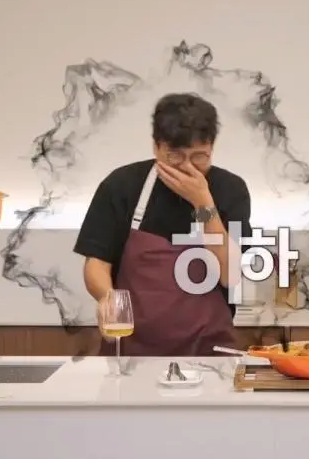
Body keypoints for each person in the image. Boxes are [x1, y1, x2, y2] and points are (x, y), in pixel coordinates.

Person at [73, 93, 252, 356]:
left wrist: (203, 203)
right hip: (132, 349)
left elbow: (230, 275)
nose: (188, 168)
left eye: (199, 157)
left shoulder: (230, 190)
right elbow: (97, 263)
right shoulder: (122, 185)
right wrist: (107, 298)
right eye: (175, 156)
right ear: (156, 147)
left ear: (212, 148)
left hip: (210, 353)